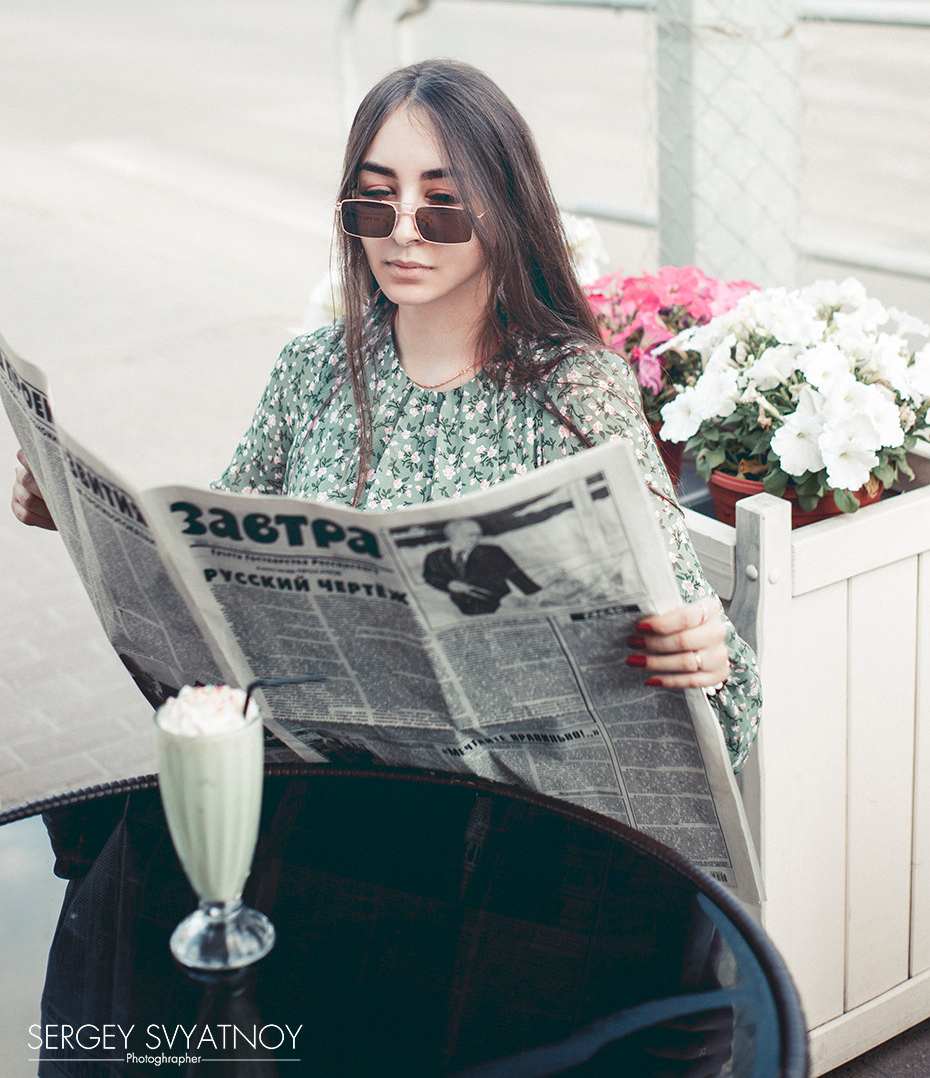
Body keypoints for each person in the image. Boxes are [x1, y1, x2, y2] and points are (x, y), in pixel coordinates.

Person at [12, 60, 760, 771]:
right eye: (376, 198)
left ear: (506, 209)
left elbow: (730, 716)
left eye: (441, 201)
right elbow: (212, 592)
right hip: (325, 802)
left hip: (509, 832)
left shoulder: (577, 391)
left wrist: (707, 657)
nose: (402, 229)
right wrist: (83, 524)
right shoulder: (309, 373)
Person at [423, 518, 541, 615]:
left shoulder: (493, 552)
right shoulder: (434, 557)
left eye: (478, 535)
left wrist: (535, 594)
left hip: (501, 604)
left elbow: (515, 574)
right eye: (470, 535)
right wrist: (448, 585)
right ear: (453, 535)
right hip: (459, 608)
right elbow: (430, 577)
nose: (476, 539)